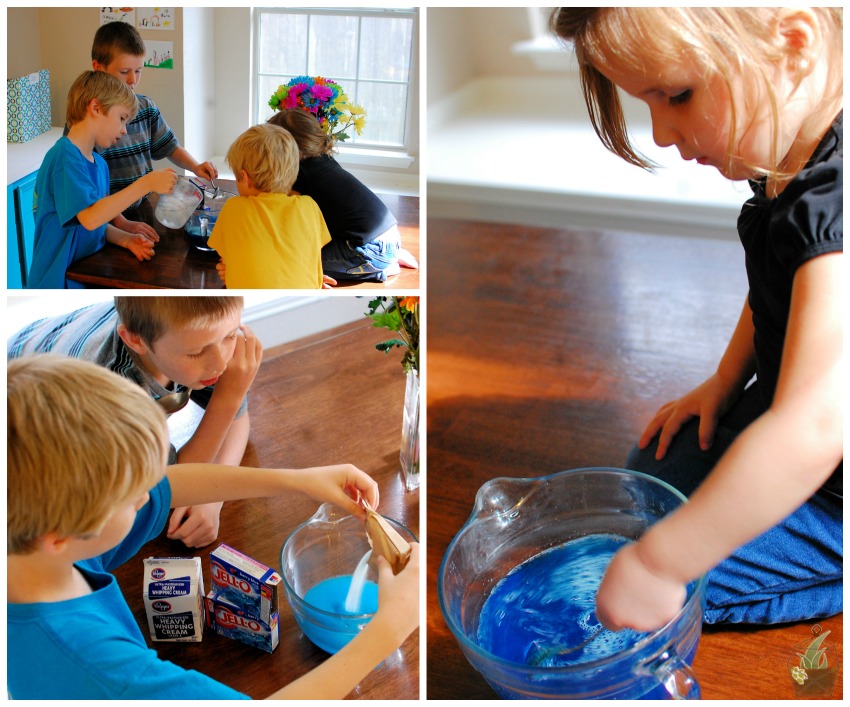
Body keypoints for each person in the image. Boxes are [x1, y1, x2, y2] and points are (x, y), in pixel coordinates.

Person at [551, 8, 842, 630]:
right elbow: (777, 290)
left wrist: (661, 566)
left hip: (830, 465)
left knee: (689, 589)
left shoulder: (835, 217)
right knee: (649, 471)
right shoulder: (794, 150)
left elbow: (816, 426)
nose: (660, 134)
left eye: (677, 95)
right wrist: (725, 381)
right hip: (799, 410)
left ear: (792, 46)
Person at [7, 355, 420, 700]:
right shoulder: (99, 668)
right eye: (135, 496)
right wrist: (390, 627)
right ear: (59, 536)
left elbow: (168, 487)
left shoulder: (41, 545)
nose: (148, 494)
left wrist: (298, 479)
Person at [7, 296, 260, 548]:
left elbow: (237, 421)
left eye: (230, 336)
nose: (221, 362)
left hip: (51, 342)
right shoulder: (109, 393)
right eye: (196, 353)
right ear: (135, 340)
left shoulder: (189, 334)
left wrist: (212, 500)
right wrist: (228, 397)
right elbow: (164, 482)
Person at [29, 71, 177, 289]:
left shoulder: (99, 165)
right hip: (57, 280)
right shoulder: (65, 156)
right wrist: (147, 183)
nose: (124, 130)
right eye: (122, 118)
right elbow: (90, 217)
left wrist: (125, 239)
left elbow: (94, 224)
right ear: (96, 108)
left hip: (85, 272)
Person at [89, 20, 218, 241]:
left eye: (138, 71)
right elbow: (91, 189)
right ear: (99, 68)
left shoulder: (146, 108)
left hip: (142, 208)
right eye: (124, 71)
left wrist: (196, 166)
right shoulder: (92, 118)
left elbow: (169, 146)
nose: (132, 79)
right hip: (107, 217)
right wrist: (121, 222)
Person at [268, 108, 419, 283]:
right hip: (388, 236)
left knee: (297, 263)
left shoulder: (300, 173)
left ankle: (381, 269)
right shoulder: (324, 161)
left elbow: (284, 208)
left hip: (366, 249)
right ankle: (389, 256)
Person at [208, 124, 331, 288]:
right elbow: (310, 254)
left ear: (245, 178)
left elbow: (227, 257)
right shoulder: (310, 206)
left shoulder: (233, 207)